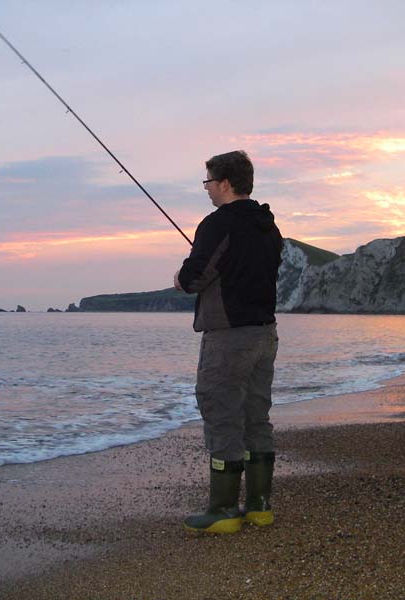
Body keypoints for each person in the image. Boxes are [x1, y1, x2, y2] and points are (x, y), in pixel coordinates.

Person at [174, 150, 282, 534]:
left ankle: (223, 510)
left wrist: (179, 278)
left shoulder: (218, 223)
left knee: (222, 414)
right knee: (256, 417)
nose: (206, 189)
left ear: (224, 183)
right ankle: (259, 506)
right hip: (265, 333)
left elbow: (194, 277)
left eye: (208, 181)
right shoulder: (268, 225)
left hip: (229, 336)